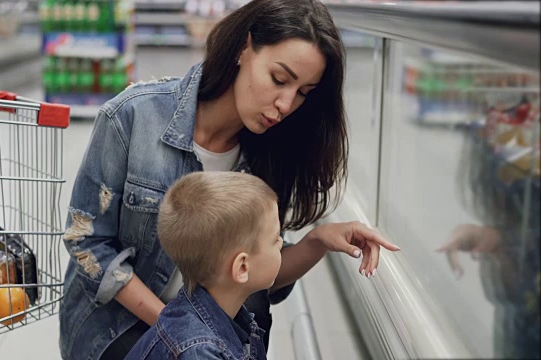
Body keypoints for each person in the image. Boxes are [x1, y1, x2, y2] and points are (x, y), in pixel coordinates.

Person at [58, 0, 400, 359]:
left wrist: (318, 242)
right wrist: (177, 329)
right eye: (279, 79)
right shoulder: (133, 116)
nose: (286, 104)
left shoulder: (270, 154)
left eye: (303, 93)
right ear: (244, 49)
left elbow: (255, 271)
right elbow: (87, 244)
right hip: (117, 328)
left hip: (207, 338)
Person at [125, 171, 281, 359]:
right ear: (242, 267)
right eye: (274, 239)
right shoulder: (198, 351)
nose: (281, 242)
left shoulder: (229, 317)